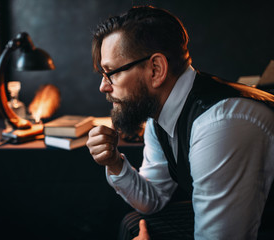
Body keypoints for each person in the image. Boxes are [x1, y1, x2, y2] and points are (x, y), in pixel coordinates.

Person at [86, 5, 274, 240]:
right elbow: (152, 199)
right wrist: (114, 163)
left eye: (111, 72)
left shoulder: (221, 124)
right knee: (136, 223)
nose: (103, 86)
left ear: (156, 69)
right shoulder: (160, 114)